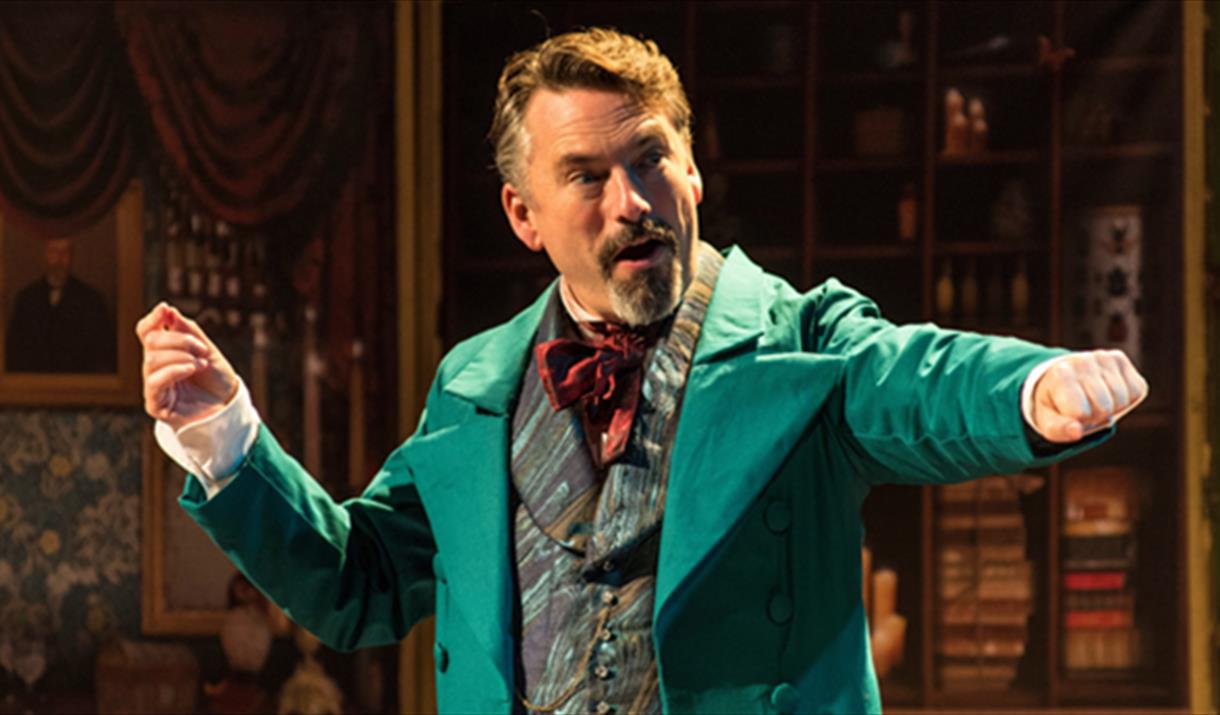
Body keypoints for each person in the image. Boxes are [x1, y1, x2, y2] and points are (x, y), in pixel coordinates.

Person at [137, 28, 1148, 715]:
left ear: (692, 170)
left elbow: (914, 377)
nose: (631, 202)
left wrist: (1031, 388)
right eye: (586, 175)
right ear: (523, 215)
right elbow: (359, 584)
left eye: (650, 160)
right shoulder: (473, 385)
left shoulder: (799, 339)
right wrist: (229, 440)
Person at [6, 237, 115, 373]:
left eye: (65, 252)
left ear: (72, 256)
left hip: (79, 381)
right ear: (45, 255)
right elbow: (15, 349)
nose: (59, 259)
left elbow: (101, 351)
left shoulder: (92, 300)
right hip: (33, 381)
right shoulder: (26, 299)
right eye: (54, 251)